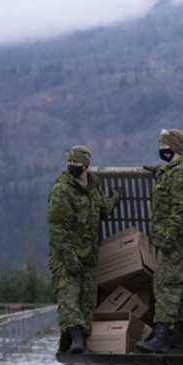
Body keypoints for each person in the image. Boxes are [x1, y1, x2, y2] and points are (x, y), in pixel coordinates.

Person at [48, 145, 121, 354]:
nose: (72, 166)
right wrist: (68, 256)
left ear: (86, 166)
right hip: (66, 255)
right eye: (69, 163)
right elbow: (57, 228)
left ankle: (84, 342)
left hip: (88, 255)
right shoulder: (62, 190)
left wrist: (115, 198)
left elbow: (102, 210)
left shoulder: (92, 188)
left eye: (76, 163)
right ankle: (76, 340)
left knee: (87, 300)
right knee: (68, 297)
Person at [136, 129, 183, 354]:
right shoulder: (170, 171)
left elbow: (180, 210)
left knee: (166, 285)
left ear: (174, 146)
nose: (161, 148)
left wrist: (168, 237)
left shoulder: (182, 173)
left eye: (165, 145)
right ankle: (181, 336)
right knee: (174, 285)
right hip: (166, 239)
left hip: (173, 240)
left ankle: (162, 336)